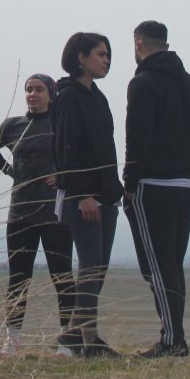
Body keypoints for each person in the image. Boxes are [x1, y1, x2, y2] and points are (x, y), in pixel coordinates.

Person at [123, 21, 190, 359]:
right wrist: (189, 166)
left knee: (157, 267)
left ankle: (173, 341)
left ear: (138, 43)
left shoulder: (142, 83)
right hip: (188, 182)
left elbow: (137, 137)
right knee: (171, 264)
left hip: (154, 184)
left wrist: (129, 183)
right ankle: (174, 336)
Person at [0, 74, 76, 356]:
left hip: (55, 213)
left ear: (51, 93)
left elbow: (78, 154)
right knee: (18, 278)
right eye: (28, 89)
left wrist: (64, 175)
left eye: (39, 89)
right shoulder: (14, 126)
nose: (33, 94)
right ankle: (12, 341)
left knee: (62, 276)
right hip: (21, 212)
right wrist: (10, 171)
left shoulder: (61, 124)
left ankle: (67, 341)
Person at [53, 32, 124, 358]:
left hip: (106, 196)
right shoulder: (68, 96)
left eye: (108, 55)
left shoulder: (98, 97)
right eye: (100, 54)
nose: (106, 60)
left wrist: (114, 189)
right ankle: (88, 340)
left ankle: (73, 335)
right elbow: (68, 147)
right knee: (91, 266)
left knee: (99, 268)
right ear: (80, 57)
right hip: (84, 197)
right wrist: (82, 194)